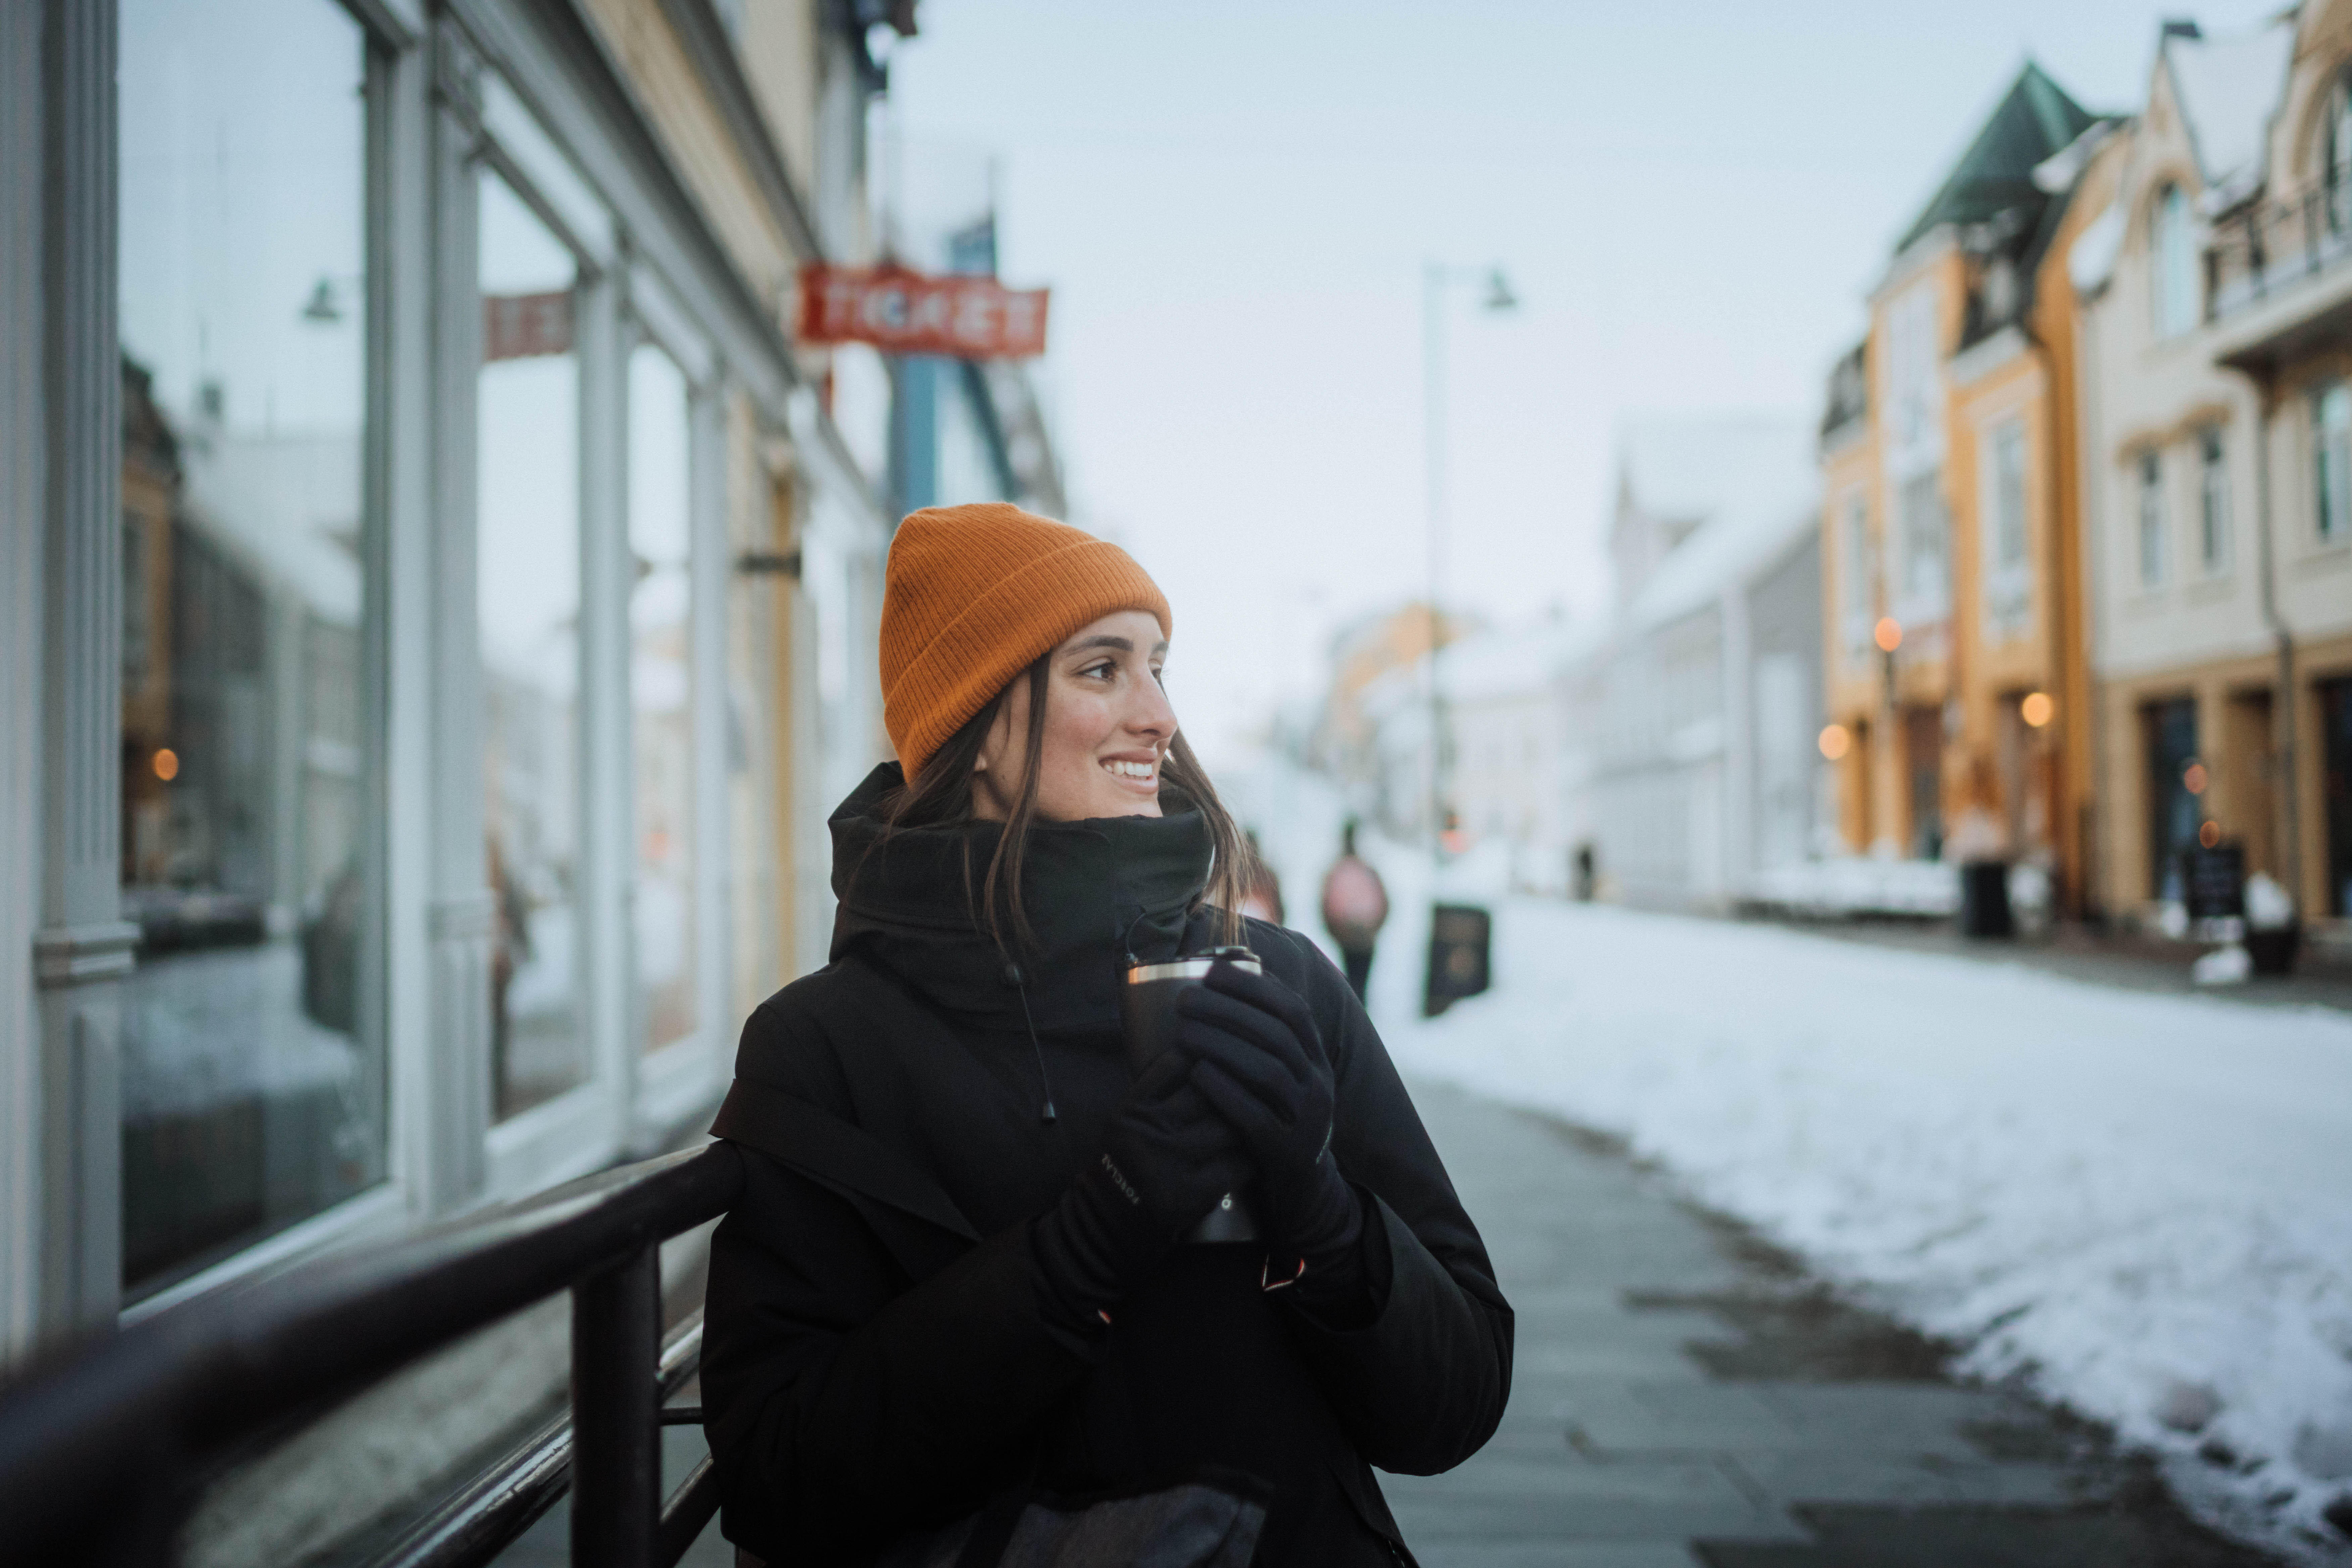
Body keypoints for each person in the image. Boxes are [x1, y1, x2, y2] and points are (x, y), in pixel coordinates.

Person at [702, 504, 1510, 1567]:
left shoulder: (1281, 984)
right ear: (976, 722)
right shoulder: (823, 1048)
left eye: (1158, 668)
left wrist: (1323, 1212)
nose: (1160, 717)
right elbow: (779, 1473)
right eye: (1101, 670)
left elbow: (1456, 1403)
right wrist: (1082, 1247)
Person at [1319, 821, 1389, 1003]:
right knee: (1357, 985)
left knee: (1353, 984)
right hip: (1360, 938)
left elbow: (1326, 908)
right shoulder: (1365, 871)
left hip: (1354, 937)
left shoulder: (1339, 871)